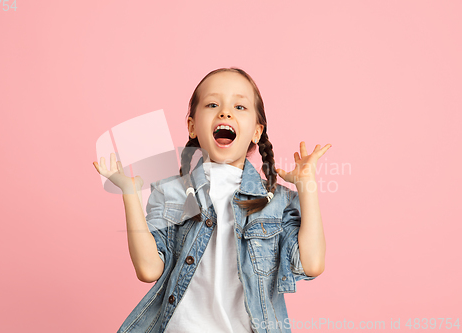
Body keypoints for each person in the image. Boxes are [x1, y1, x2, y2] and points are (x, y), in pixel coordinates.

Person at [93, 67, 331, 333]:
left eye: (239, 106)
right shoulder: (170, 192)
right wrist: (130, 193)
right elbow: (148, 270)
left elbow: (311, 264)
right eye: (212, 104)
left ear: (256, 132)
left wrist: (307, 187)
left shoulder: (278, 201)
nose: (225, 112)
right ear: (192, 126)